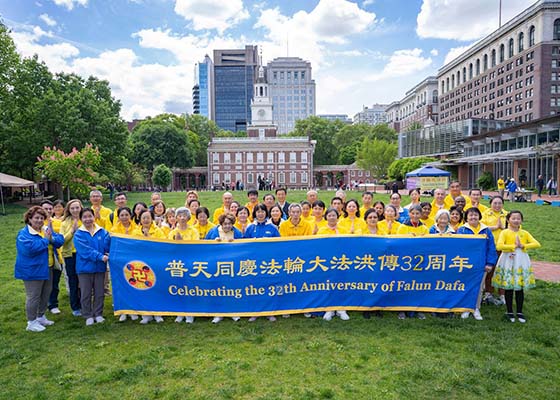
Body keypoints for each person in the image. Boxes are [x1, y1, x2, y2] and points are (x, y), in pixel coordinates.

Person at [15, 206, 64, 332]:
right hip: (32, 270)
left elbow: (60, 240)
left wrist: (51, 238)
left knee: (46, 293)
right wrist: (46, 240)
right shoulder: (24, 234)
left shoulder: (45, 229)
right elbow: (30, 249)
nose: (39, 220)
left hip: (48, 267)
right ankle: (31, 322)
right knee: (34, 296)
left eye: (42, 218)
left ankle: (40, 316)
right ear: (29, 219)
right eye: (36, 218)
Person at [493, 211, 541, 323]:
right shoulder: (505, 232)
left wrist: (523, 245)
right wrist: (513, 246)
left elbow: (536, 244)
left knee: (520, 287)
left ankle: (519, 311)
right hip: (508, 259)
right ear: (508, 220)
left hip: (521, 260)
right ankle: (509, 311)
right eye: (513, 218)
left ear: (521, 220)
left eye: (518, 218)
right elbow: (499, 246)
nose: (516, 220)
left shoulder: (524, 233)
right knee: (508, 286)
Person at [457, 207, 498, 321]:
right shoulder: (462, 230)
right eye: (470, 215)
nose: (473, 217)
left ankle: (476, 308)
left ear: (479, 216)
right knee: (465, 286)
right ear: (466, 218)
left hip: (481, 264)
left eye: (475, 215)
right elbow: (458, 247)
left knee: (479, 287)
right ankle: (465, 308)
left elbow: (491, 248)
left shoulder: (486, 230)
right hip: (465, 263)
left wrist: (490, 263)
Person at [73, 208, 111, 326]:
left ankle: (98, 314)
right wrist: (100, 256)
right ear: (81, 219)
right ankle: (88, 315)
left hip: (100, 267)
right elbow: (85, 251)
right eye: (85, 217)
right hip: (84, 268)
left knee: (100, 292)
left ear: (94, 217)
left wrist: (110, 252)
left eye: (90, 216)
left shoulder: (102, 232)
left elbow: (107, 245)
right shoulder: (78, 234)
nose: (88, 219)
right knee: (86, 293)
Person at [244, 204, 280, 322]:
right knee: (255, 288)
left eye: (263, 211)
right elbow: (244, 246)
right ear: (255, 213)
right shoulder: (250, 228)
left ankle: (270, 312)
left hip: (269, 264)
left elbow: (279, 244)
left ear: (266, 213)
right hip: (254, 264)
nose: (260, 214)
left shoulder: (273, 228)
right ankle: (255, 312)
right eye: (258, 212)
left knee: (269, 288)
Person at [205, 213, 242, 324]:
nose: (227, 226)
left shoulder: (237, 232)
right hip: (216, 265)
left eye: (229, 224)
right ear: (221, 223)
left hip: (232, 265)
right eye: (225, 224)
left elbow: (244, 247)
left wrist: (236, 243)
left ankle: (233, 312)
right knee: (218, 289)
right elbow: (204, 246)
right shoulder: (213, 232)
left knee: (232, 289)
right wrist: (213, 243)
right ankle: (218, 313)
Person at [317, 208, 350, 321]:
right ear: (326, 217)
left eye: (334, 215)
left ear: (337, 217)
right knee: (328, 285)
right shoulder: (322, 230)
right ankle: (329, 309)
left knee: (341, 285)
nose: (332, 217)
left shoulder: (343, 229)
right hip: (327, 262)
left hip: (341, 261)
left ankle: (341, 309)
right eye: (329, 215)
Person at [481, 195, 508, 306]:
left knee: (503, 271)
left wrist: (503, 228)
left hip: (504, 248)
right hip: (490, 247)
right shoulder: (485, 214)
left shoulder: (507, 215)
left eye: (499, 203)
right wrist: (495, 227)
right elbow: (481, 228)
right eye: (495, 203)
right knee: (490, 271)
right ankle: (488, 292)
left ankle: (502, 293)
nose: (497, 205)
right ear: (490, 204)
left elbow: (516, 228)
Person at [60, 199, 84, 316]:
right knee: (73, 281)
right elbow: (62, 241)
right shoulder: (64, 223)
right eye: (72, 208)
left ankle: (84, 304)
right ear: (68, 210)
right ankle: (75, 307)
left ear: (81, 208)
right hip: (70, 255)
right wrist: (72, 231)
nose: (75, 210)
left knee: (84, 281)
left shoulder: (86, 219)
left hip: (83, 255)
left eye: (77, 207)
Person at [40, 200, 65, 316]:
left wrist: (52, 239)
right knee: (41, 285)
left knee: (54, 283)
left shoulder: (55, 222)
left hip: (56, 256)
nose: (49, 211)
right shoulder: (36, 223)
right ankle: (41, 307)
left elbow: (60, 239)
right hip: (41, 259)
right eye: (46, 208)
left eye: (50, 208)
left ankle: (53, 304)